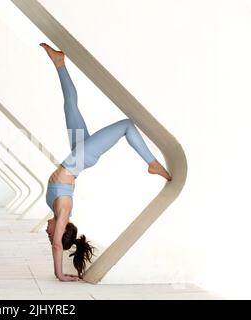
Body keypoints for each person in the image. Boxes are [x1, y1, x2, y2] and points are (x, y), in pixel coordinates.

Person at [40, 43, 172, 282]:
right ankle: (152, 163)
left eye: (49, 234)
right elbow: (58, 245)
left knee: (69, 105)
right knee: (125, 126)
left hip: (76, 155)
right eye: (49, 234)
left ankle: (59, 63)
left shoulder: (56, 209)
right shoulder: (64, 213)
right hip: (80, 159)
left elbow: (58, 242)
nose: (47, 232)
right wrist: (59, 274)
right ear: (60, 231)